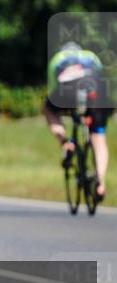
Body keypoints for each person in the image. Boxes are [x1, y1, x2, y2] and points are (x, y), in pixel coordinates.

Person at [43, 41, 110, 200]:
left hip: (66, 90)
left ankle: (66, 142)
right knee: (98, 138)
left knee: (48, 110)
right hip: (95, 90)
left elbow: (53, 89)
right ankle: (100, 182)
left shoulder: (57, 59)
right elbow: (102, 78)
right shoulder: (90, 56)